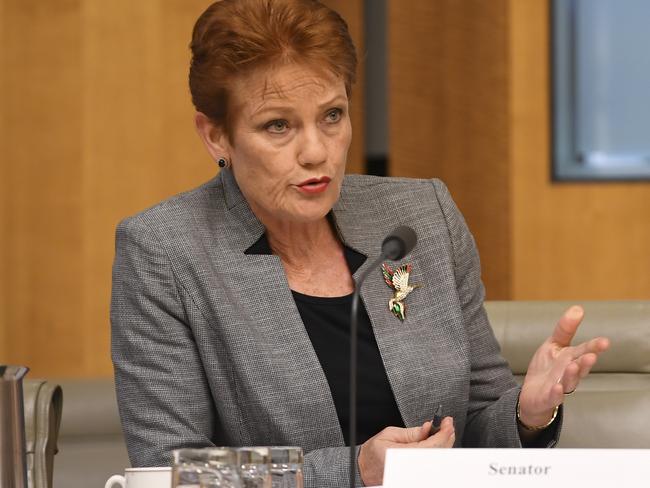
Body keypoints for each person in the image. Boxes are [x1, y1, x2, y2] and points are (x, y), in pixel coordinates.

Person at [110, 0, 610, 486]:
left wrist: (527, 412)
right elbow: (171, 473)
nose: (316, 152)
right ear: (216, 136)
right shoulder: (164, 251)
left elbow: (477, 422)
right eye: (277, 126)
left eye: (331, 116)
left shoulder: (422, 216)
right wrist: (354, 472)